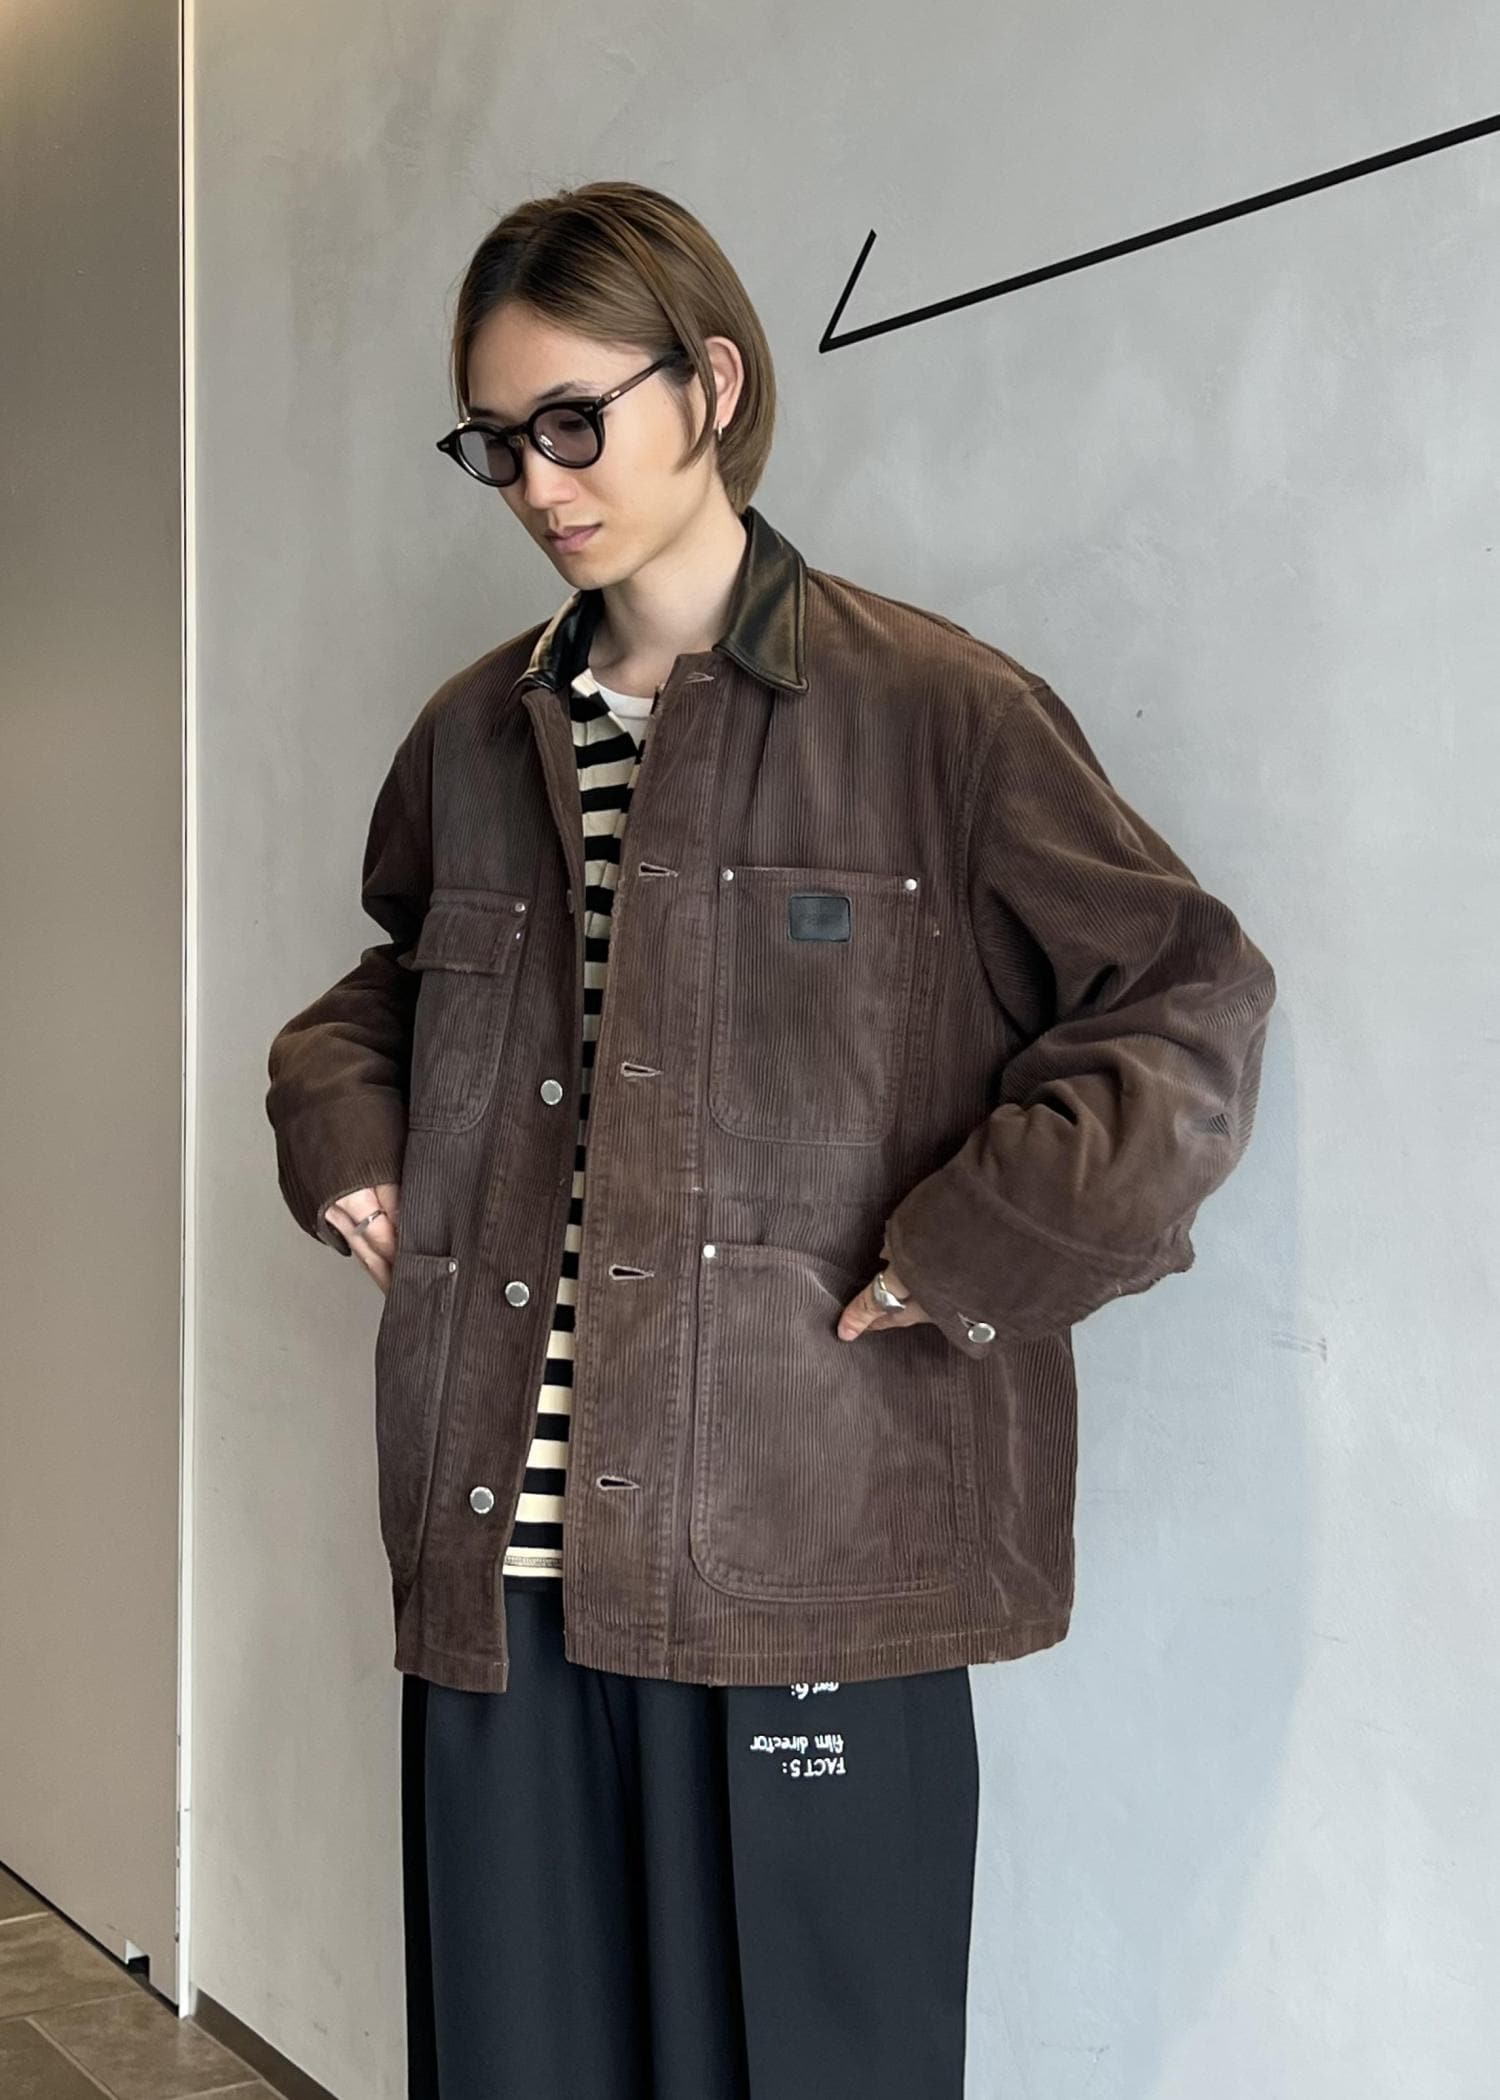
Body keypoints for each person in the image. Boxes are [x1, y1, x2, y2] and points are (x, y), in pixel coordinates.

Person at [265, 180, 1276, 2099]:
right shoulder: (475, 736)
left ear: (712, 385)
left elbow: (1185, 1002)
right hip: (506, 1561)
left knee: (812, 2063)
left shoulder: (937, 714)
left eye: (577, 419)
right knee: (519, 2063)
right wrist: (337, 1122)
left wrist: (976, 1248)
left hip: (808, 1553)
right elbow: (394, 987)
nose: (538, 480)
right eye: (497, 440)